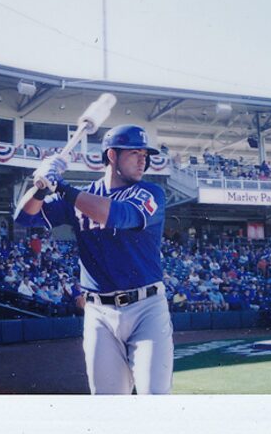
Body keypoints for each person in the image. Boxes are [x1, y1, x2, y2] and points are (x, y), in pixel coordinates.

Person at [15, 124, 173, 395]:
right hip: (99, 312)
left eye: (145, 154)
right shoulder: (82, 196)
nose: (143, 160)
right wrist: (40, 187)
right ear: (112, 155)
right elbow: (24, 218)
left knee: (155, 398)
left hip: (146, 308)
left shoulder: (150, 192)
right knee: (107, 404)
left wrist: (62, 187)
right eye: (135, 152)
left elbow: (119, 216)